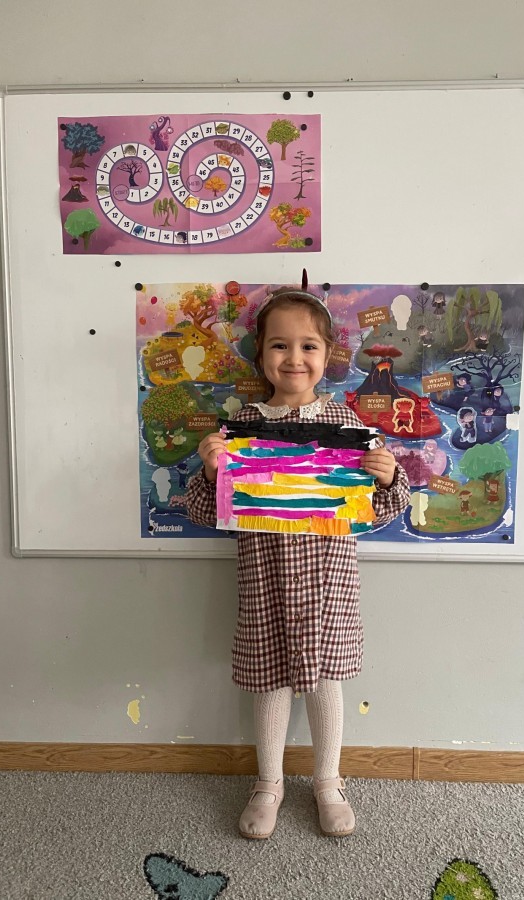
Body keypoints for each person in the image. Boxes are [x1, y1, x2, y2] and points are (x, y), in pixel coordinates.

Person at [186, 286, 410, 840]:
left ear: (327, 353)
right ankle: (269, 783)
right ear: (261, 353)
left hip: (328, 581)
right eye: (280, 345)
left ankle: (328, 781)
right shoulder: (242, 427)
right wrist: (213, 471)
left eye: (308, 346)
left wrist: (387, 476)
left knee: (325, 679)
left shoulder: (346, 423)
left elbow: (382, 510)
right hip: (264, 578)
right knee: (269, 680)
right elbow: (205, 511)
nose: (294, 358)